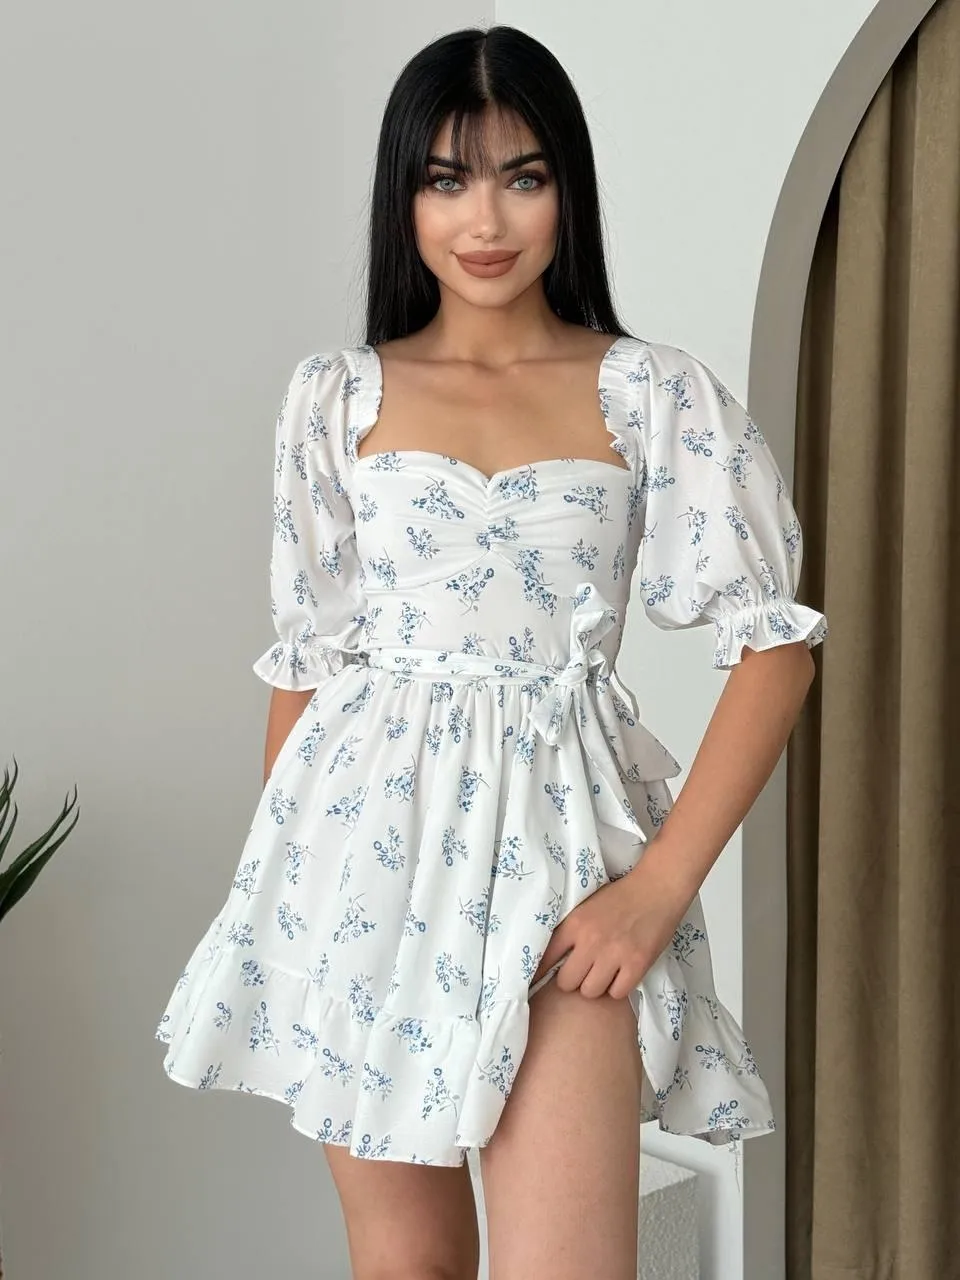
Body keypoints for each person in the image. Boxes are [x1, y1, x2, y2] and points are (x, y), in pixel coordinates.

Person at [155, 23, 827, 1280]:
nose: (486, 218)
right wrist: (288, 894)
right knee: (404, 1265)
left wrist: (656, 888)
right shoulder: (334, 396)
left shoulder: (653, 392)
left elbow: (774, 650)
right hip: (361, 868)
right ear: (403, 195)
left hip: (568, 870)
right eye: (447, 178)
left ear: (568, 189)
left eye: (524, 175)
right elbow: (309, 660)